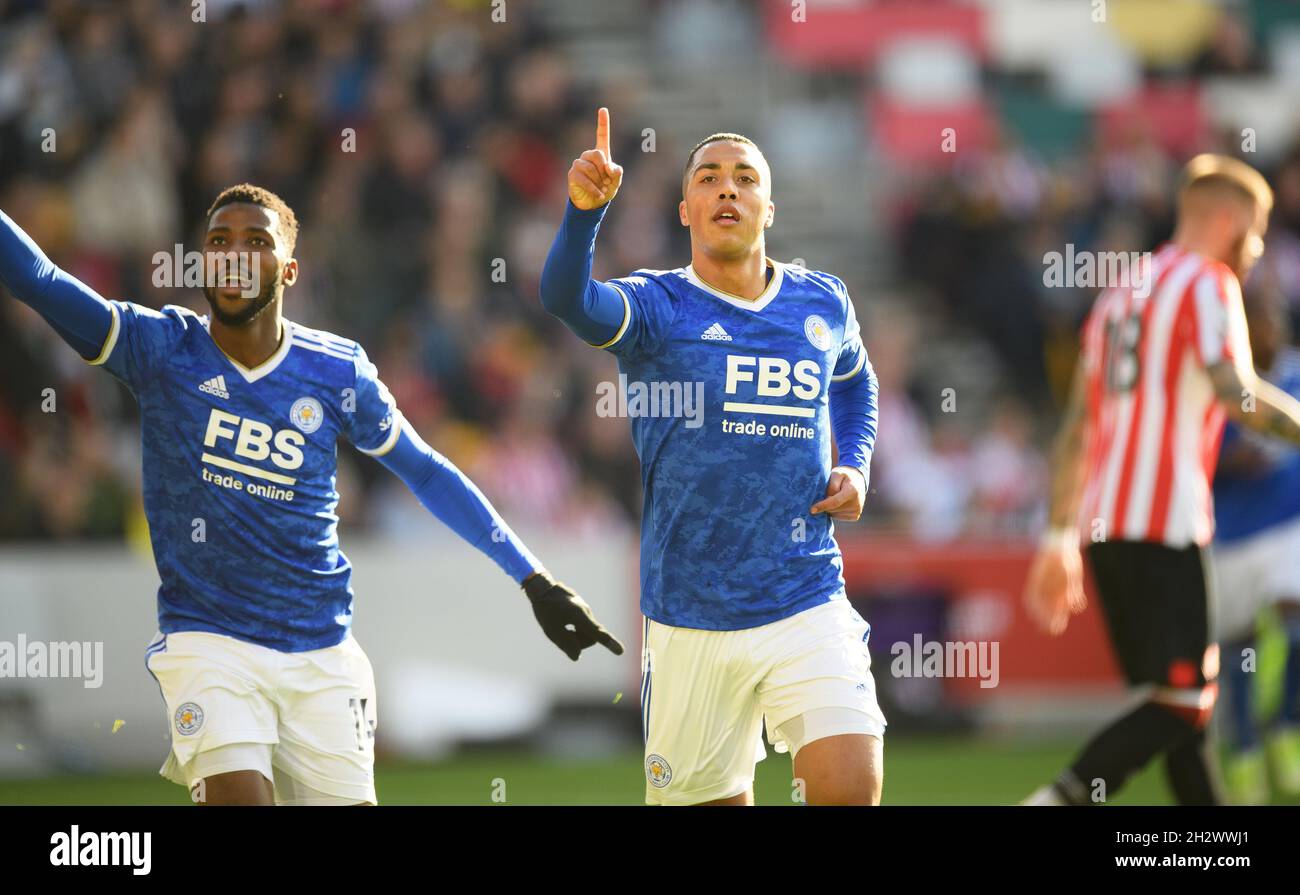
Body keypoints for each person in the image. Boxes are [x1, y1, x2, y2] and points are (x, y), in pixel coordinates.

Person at [0, 183, 623, 806]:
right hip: (210, 645)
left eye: (256, 242)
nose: (234, 255)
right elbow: (36, 277)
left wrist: (534, 579)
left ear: (289, 269)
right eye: (218, 242)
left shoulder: (336, 370)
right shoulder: (159, 348)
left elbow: (427, 471)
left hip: (322, 655)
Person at [540, 108, 884, 805]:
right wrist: (583, 214)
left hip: (804, 592)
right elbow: (567, 299)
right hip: (689, 611)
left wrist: (858, 460)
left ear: (768, 206)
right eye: (709, 178)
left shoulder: (822, 301)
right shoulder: (659, 306)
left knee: (851, 785)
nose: (728, 189)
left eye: (745, 178)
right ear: (687, 207)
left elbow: (855, 380)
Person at [1022, 154, 1300, 805]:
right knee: (1183, 703)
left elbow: (1075, 430)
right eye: (1256, 232)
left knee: (1181, 714)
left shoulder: (1120, 293)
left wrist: (1057, 535)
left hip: (1105, 527)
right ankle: (1058, 799)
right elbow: (1240, 394)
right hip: (1166, 522)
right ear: (1227, 220)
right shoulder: (1208, 282)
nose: (1257, 251)